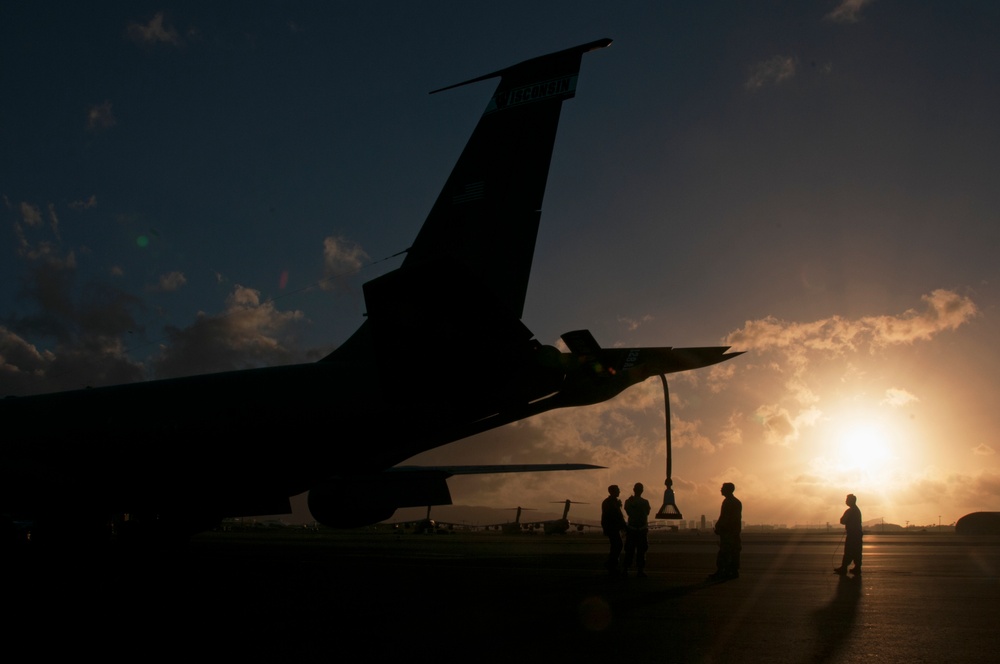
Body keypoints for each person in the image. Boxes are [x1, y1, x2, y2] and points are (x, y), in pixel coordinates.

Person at [709, 482, 742, 581]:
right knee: (733, 552)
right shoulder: (736, 502)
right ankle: (732, 571)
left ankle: (723, 572)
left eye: (723, 488)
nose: (721, 490)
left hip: (728, 533)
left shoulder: (728, 502)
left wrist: (719, 527)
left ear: (727, 490)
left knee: (725, 553)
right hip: (733, 532)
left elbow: (724, 517)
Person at [623, 482, 651, 577]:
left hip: (632, 529)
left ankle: (626, 569)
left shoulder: (628, 502)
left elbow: (628, 512)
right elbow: (647, 513)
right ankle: (640, 570)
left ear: (634, 490)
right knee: (641, 551)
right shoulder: (645, 502)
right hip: (641, 530)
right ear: (642, 491)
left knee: (629, 551)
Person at [601, 485, 627, 575]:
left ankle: (612, 564)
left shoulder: (610, 502)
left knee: (616, 546)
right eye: (618, 490)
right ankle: (611, 564)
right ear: (613, 491)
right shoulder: (610, 503)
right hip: (612, 528)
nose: (619, 491)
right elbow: (615, 516)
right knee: (618, 545)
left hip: (613, 528)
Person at [834, 494, 863, 575]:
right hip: (857, 533)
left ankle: (844, 568)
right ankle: (857, 568)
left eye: (847, 500)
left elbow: (842, 521)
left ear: (851, 501)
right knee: (857, 551)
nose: (846, 501)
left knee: (848, 551)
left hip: (852, 534)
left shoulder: (850, 511)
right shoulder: (857, 510)